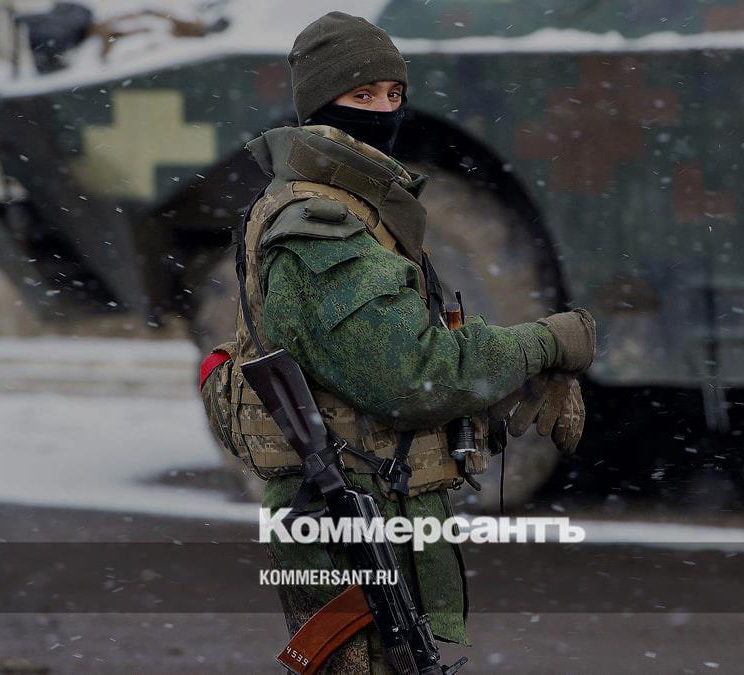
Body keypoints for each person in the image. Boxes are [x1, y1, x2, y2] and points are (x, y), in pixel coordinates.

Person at [199, 12, 596, 674]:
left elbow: (389, 365)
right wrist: (547, 343)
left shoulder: (359, 209)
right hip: (347, 515)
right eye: (363, 96)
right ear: (321, 105)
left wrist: (496, 391)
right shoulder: (320, 229)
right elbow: (410, 377)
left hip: (376, 506)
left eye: (394, 94)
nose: (384, 111)